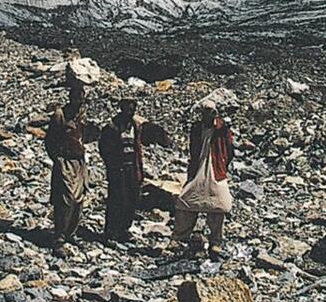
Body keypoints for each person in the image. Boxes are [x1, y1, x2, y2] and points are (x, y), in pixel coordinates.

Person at [98, 97, 170, 244]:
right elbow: (105, 149)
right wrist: (113, 167)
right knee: (117, 200)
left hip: (132, 168)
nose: (130, 112)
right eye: (127, 109)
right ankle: (111, 232)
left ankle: (124, 229)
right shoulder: (112, 127)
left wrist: (139, 170)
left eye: (132, 109)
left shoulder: (135, 126)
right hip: (118, 170)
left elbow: (138, 148)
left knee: (131, 199)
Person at [171, 101, 235, 258]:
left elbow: (229, 148)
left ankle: (215, 242)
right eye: (206, 112)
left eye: (212, 112)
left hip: (216, 171)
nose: (209, 115)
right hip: (198, 169)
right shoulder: (197, 128)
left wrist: (223, 164)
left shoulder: (222, 128)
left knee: (219, 205)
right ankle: (179, 238)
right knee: (186, 201)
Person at [44, 68, 93, 251]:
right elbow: (49, 140)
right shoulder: (60, 115)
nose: (79, 101)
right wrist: (56, 159)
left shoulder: (81, 116)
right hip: (64, 161)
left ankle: (71, 233)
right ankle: (59, 235)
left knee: (79, 198)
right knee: (65, 198)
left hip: (79, 161)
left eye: (82, 98)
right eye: (77, 97)